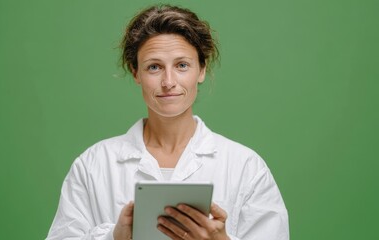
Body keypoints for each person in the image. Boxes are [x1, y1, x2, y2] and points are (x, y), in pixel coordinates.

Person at [46, 4, 289, 240]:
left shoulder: (246, 167)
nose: (168, 81)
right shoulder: (93, 165)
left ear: (201, 69)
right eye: (154, 67)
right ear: (135, 72)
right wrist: (114, 237)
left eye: (182, 65)